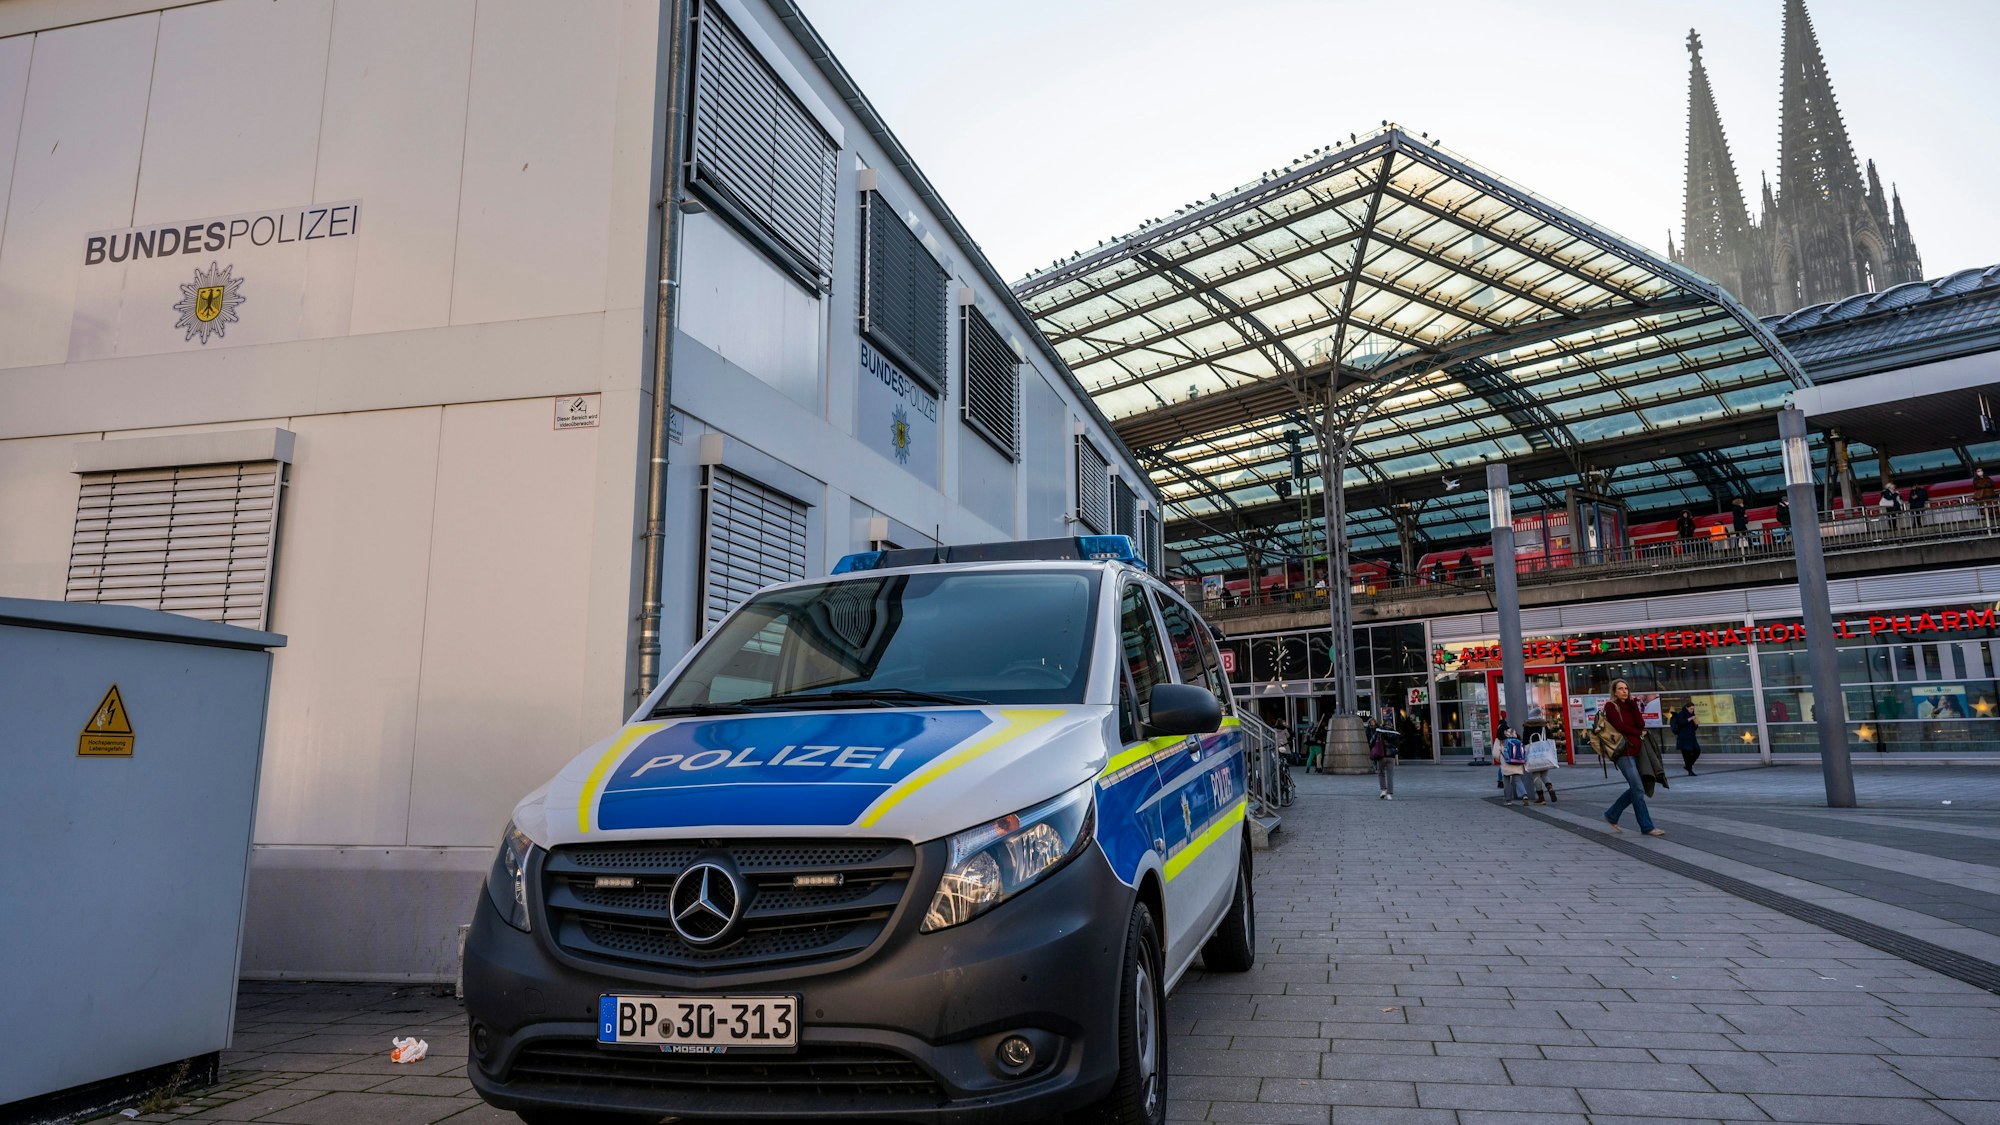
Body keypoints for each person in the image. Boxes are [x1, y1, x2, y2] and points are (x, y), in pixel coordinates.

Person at [1599, 680, 1663, 836]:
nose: (1624, 691)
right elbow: (1620, 727)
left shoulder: (1631, 705)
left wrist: (1634, 705)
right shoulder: (1611, 706)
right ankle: (1647, 827)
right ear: (1614, 692)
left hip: (1637, 751)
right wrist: (1638, 732)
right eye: (1620, 689)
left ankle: (1612, 814)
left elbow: (1640, 724)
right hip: (1623, 753)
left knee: (1637, 787)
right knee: (1638, 788)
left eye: (1626, 688)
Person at [1369, 704, 1400, 799]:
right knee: (1390, 775)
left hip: (1381, 755)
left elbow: (1372, 741)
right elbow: (1398, 744)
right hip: (1391, 757)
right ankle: (1389, 794)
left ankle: (1383, 790)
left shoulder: (1379, 731)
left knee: (1381, 773)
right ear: (1391, 725)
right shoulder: (1395, 733)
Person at [1494, 722, 1528, 804]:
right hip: (1517, 762)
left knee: (1506, 781)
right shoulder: (1516, 736)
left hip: (1506, 763)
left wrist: (1500, 760)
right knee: (1518, 780)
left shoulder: (1499, 739)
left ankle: (1508, 800)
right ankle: (1524, 795)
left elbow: (1495, 754)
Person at [1669, 700, 1701, 776]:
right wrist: (1690, 719)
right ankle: (1690, 770)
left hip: (1691, 737)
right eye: (1691, 709)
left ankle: (1688, 766)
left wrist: (1696, 724)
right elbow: (1681, 723)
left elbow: (1694, 727)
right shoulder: (1682, 714)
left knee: (1697, 750)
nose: (1692, 710)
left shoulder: (1692, 714)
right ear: (1687, 708)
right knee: (1686, 754)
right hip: (1683, 737)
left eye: (1693, 709)